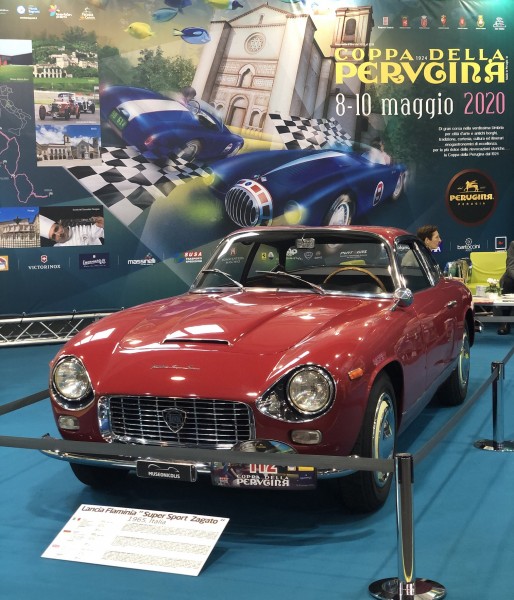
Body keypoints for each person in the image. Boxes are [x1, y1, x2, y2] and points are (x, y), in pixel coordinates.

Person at [39, 214, 104, 247]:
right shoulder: (57, 249)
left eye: (56, 229)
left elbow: (105, 233)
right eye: (54, 236)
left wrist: (105, 224)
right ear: (53, 240)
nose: (59, 234)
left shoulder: (83, 229)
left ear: (60, 225)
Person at [495, 240, 514, 335]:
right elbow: (510, 267)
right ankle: (505, 321)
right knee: (507, 281)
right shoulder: (513, 244)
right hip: (512, 276)